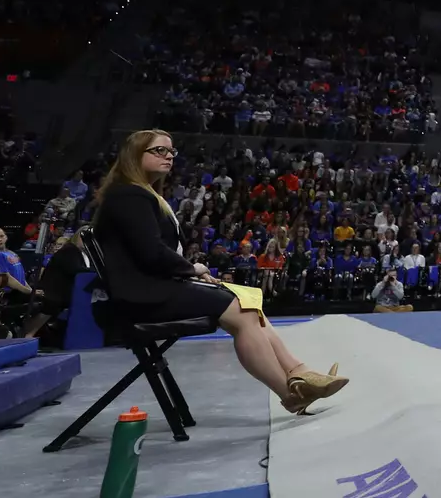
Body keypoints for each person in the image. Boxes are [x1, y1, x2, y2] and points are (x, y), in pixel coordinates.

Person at [93, 130, 348, 414]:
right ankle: (291, 393)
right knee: (241, 309)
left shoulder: (137, 194)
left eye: (171, 152)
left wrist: (189, 272)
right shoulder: (130, 195)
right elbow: (150, 253)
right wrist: (191, 269)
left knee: (248, 301)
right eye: (159, 151)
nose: (168, 157)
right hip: (137, 297)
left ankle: (299, 373)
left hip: (149, 288)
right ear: (134, 155)